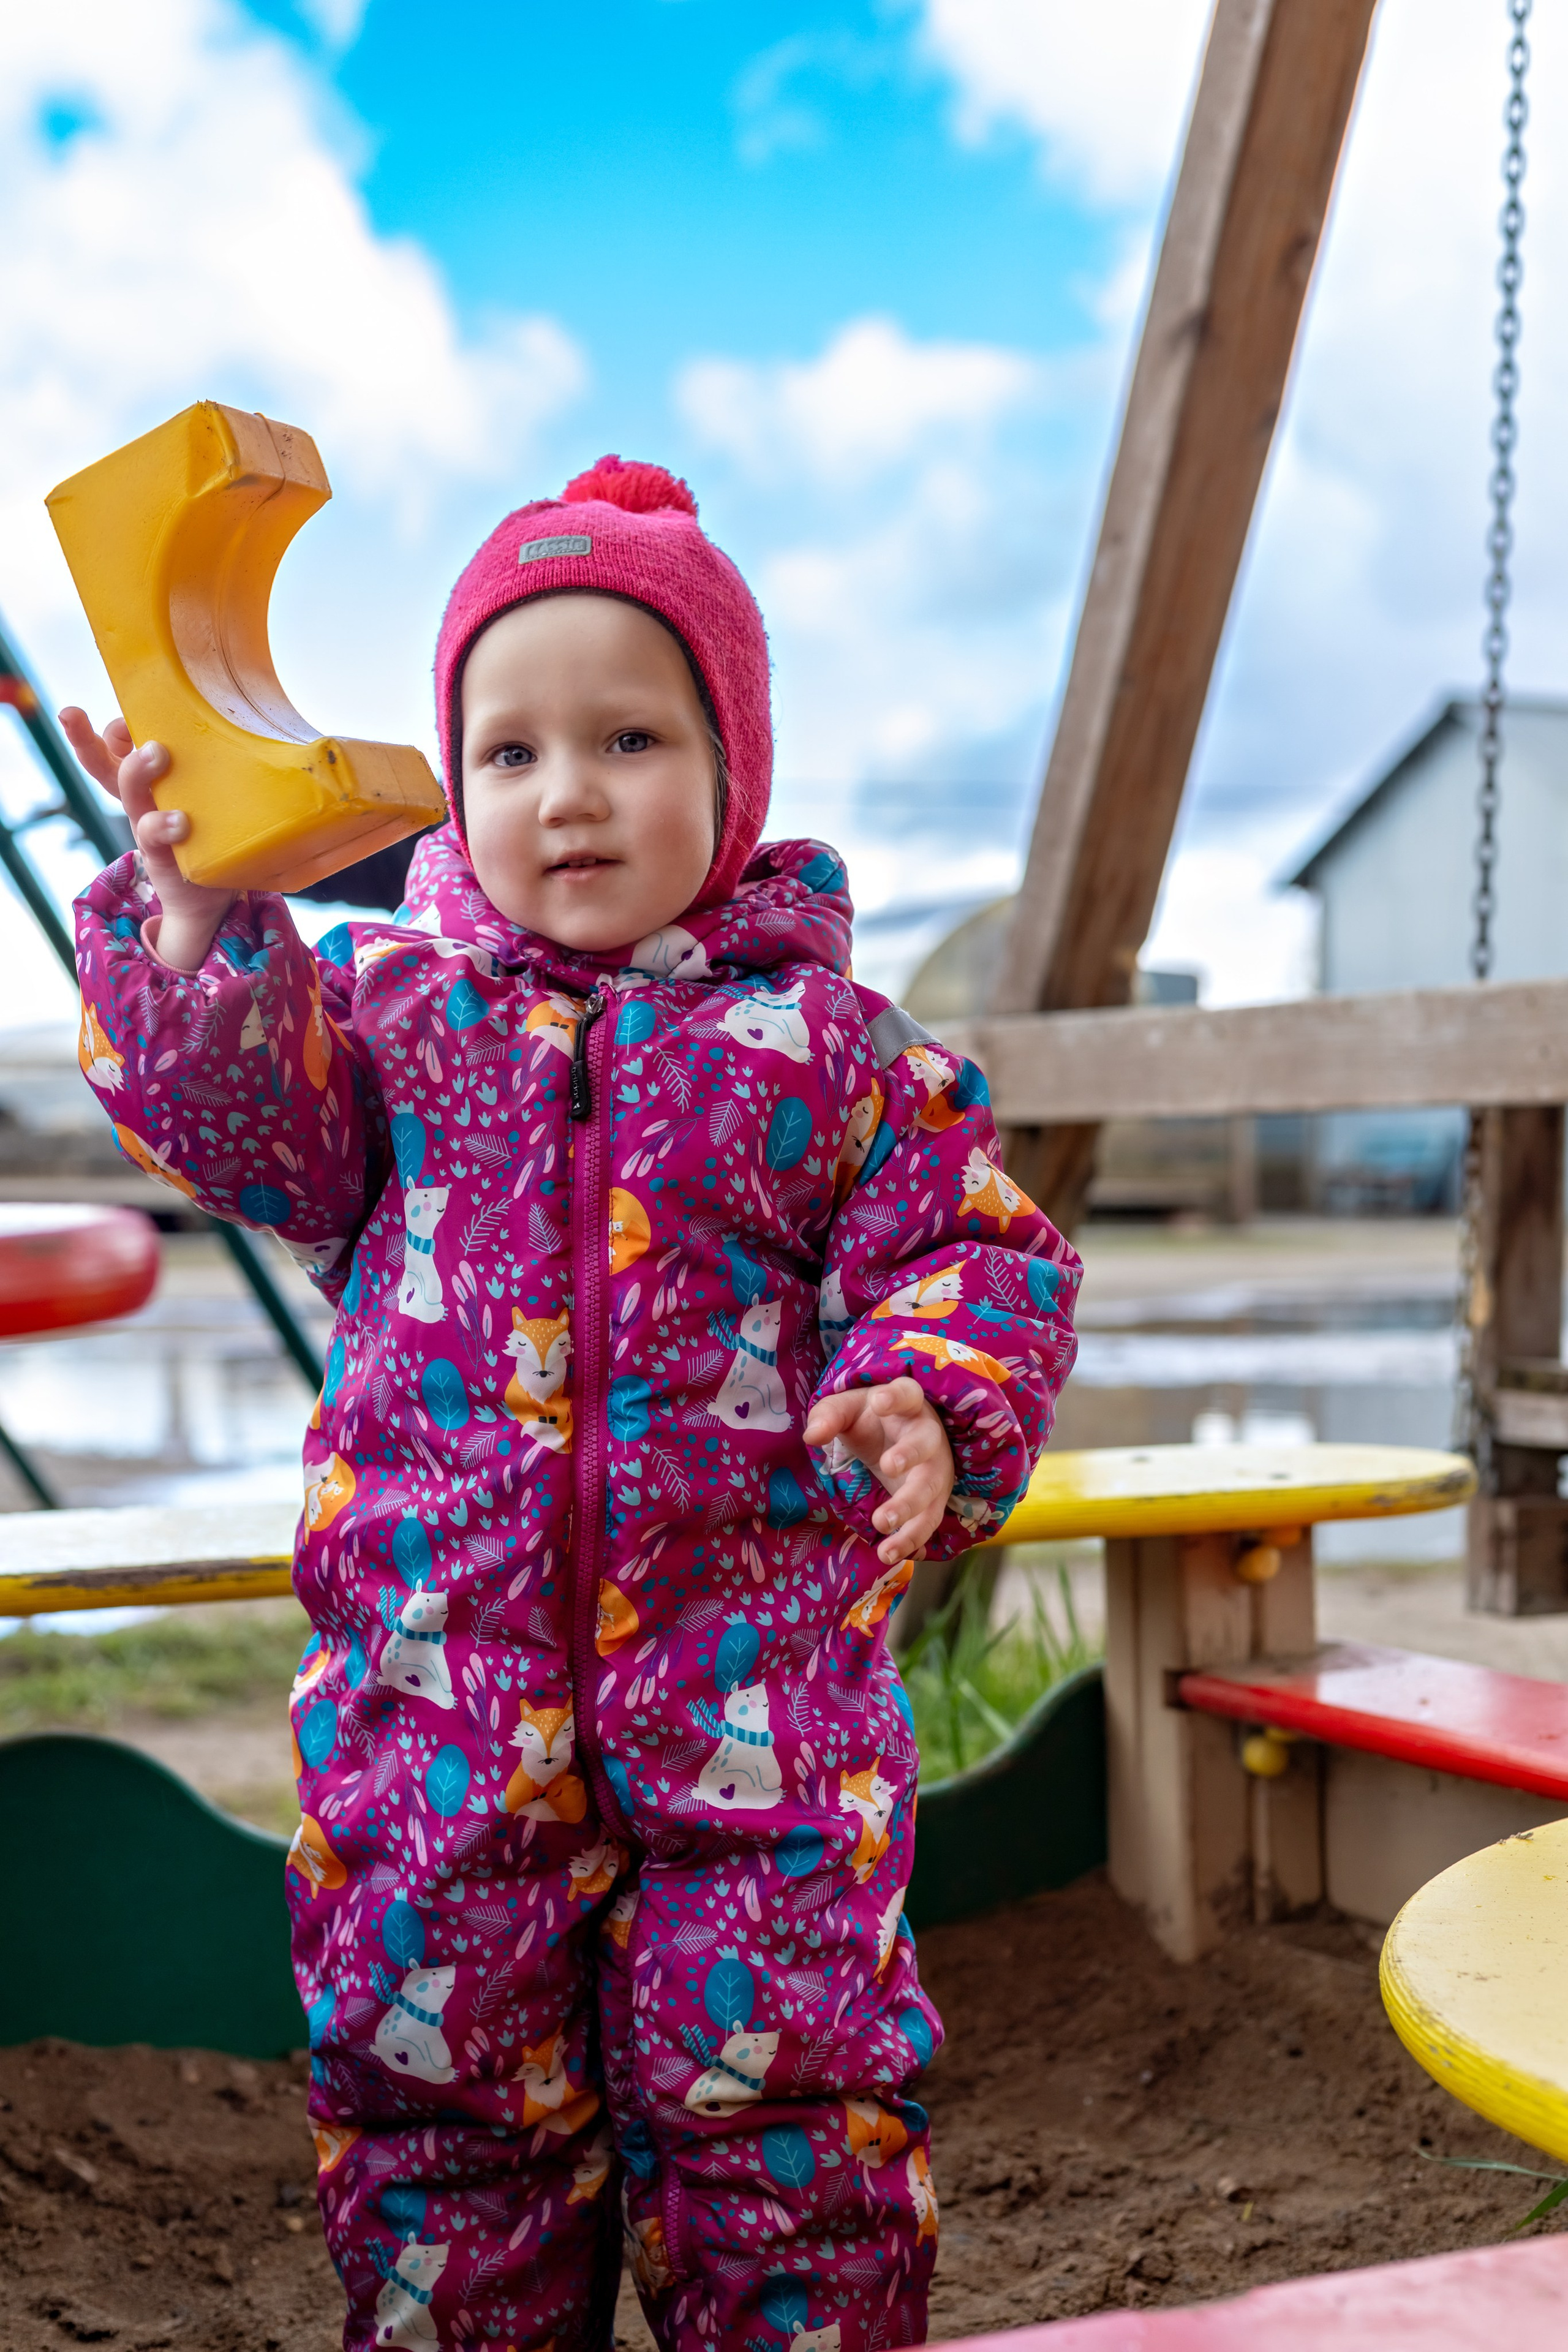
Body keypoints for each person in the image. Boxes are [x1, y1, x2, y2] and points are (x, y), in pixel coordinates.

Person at [67, 456, 1080, 2352]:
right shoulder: (390, 1021)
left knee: (790, 2127)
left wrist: (925, 1396)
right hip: (433, 1728)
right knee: (442, 2126)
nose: (572, 793)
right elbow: (239, 1137)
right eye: (512, 752)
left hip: (759, 1730)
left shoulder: (835, 1054)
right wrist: (194, 936)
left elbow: (972, 1252)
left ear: (734, 769)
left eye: (630, 735)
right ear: (457, 788)